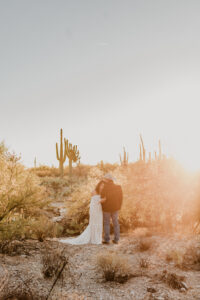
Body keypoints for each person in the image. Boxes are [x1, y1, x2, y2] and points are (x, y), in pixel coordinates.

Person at [59, 181, 104, 245]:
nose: (102, 187)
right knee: (93, 223)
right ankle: (93, 239)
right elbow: (94, 201)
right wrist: (103, 200)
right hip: (94, 209)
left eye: (103, 186)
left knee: (99, 222)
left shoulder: (103, 192)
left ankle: (97, 238)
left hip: (99, 209)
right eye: (101, 185)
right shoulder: (94, 191)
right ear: (99, 185)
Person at [101, 173, 123, 244]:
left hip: (106, 208)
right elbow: (121, 198)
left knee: (106, 223)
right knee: (116, 223)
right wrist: (119, 206)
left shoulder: (104, 188)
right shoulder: (118, 187)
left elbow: (102, 198)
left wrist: (102, 207)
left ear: (107, 180)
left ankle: (107, 239)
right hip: (115, 207)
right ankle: (116, 239)